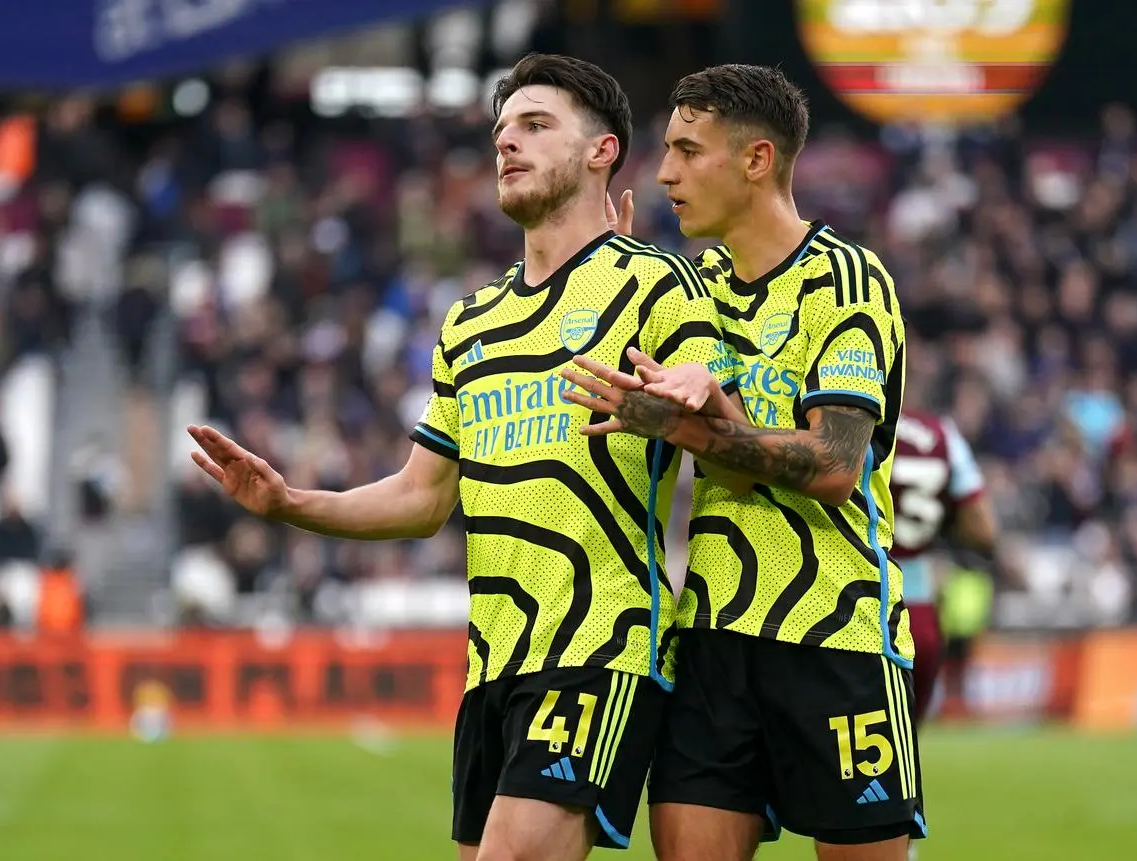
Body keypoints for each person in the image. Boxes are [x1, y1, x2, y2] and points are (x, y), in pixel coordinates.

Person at [188, 53, 737, 861]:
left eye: (536, 125)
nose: (507, 143)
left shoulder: (655, 283)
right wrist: (291, 503)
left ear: (602, 151)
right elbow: (421, 496)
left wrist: (701, 386)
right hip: (493, 665)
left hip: (600, 644)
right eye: (502, 130)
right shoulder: (471, 323)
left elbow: (717, 401)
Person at [559, 65, 923, 861]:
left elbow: (833, 464)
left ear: (756, 160)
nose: (663, 173)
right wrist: (614, 276)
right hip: (714, 640)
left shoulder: (848, 282)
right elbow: (727, 468)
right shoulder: (692, 291)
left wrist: (699, 428)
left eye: (688, 151)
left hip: (836, 635)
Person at [890, 406, 999, 720]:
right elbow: (984, 528)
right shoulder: (944, 435)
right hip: (917, 610)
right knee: (905, 741)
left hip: (847, 597)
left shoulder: (851, 414)